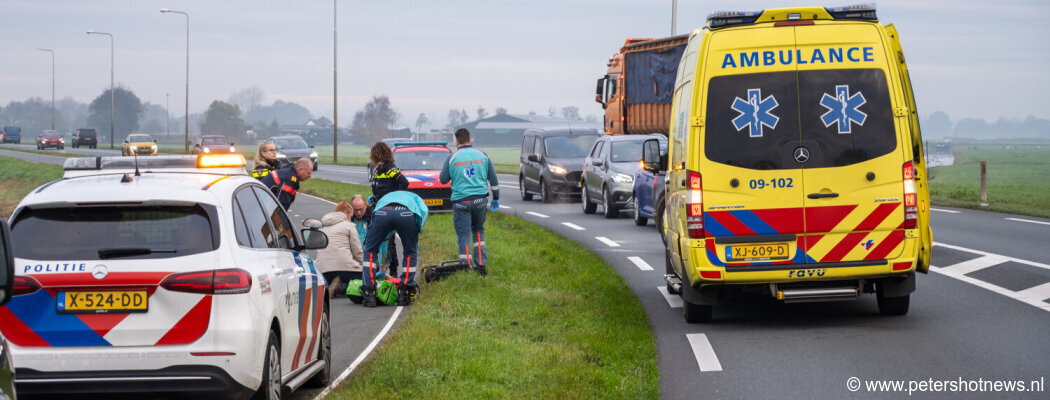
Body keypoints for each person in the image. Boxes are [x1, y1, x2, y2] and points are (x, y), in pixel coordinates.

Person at [439, 128, 499, 276]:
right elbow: (493, 180)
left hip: (461, 202)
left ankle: (466, 266)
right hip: (480, 200)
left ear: (456, 141)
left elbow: (443, 179)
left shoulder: (452, 158)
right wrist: (496, 198)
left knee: (463, 235)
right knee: (478, 230)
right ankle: (481, 266)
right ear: (470, 139)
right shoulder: (483, 156)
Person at [360, 190, 428, 308]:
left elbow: (377, 220)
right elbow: (424, 212)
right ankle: (405, 291)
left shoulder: (384, 198)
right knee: (410, 252)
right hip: (406, 214)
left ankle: (369, 292)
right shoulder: (416, 198)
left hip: (382, 213)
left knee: (370, 251)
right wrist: (416, 232)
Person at [367, 142, 408, 275]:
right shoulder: (378, 169)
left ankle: (393, 271)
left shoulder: (391, 168)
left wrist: (396, 199)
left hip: (389, 209)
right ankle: (381, 269)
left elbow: (404, 182)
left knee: (389, 242)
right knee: (381, 240)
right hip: (379, 207)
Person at [315, 201, 365, 298]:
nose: (350, 218)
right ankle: (339, 281)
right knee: (366, 276)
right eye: (350, 216)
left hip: (324, 269)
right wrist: (365, 265)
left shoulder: (322, 227)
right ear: (346, 213)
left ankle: (333, 282)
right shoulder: (349, 225)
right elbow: (357, 251)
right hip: (344, 268)